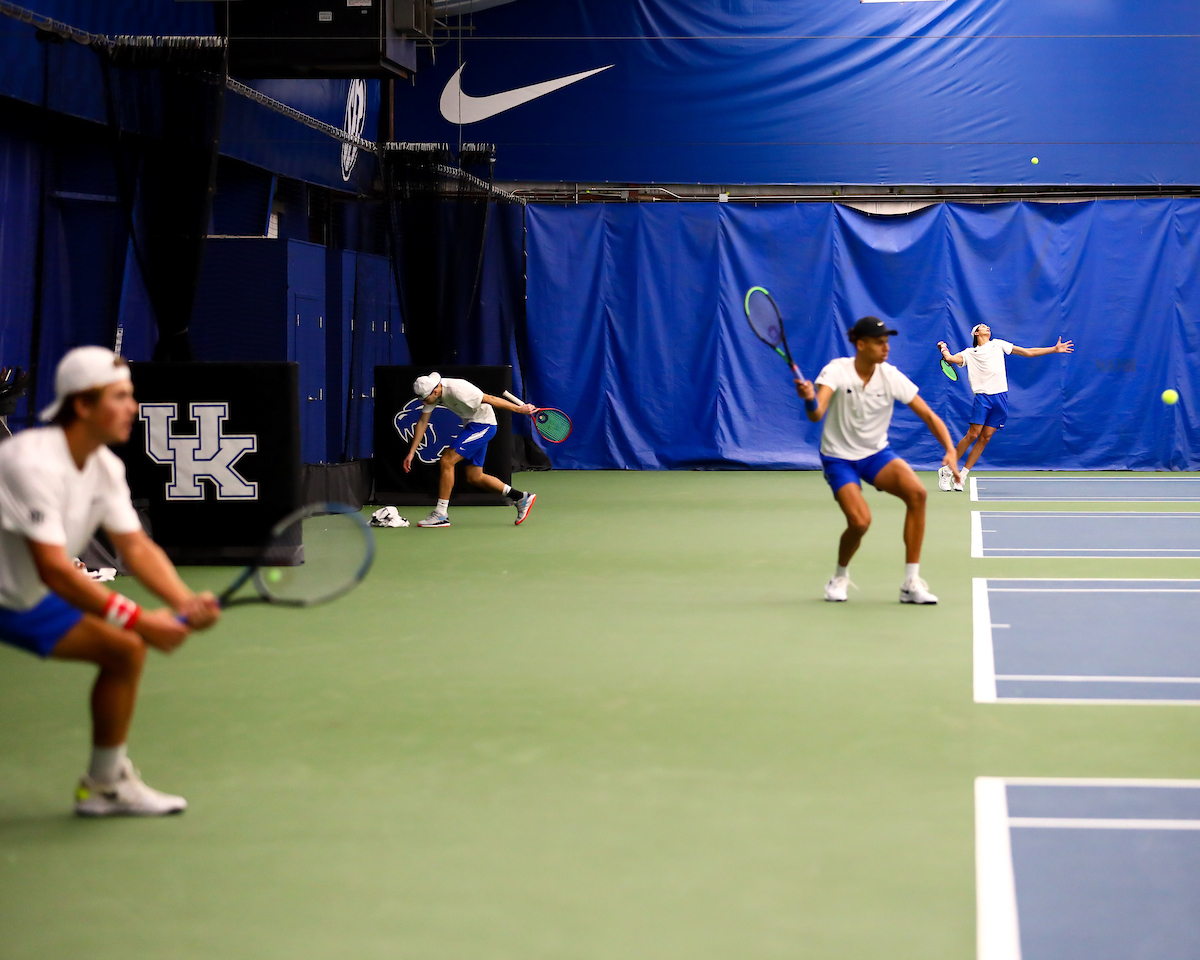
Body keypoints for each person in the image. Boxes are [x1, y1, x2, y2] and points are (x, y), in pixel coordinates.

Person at [0, 347, 220, 816]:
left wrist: (184, 601)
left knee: (123, 652)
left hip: (19, 599)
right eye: (119, 397)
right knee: (130, 638)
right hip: (23, 588)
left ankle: (104, 784)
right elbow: (55, 569)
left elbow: (136, 546)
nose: (133, 408)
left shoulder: (105, 467)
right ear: (83, 405)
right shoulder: (28, 464)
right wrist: (140, 619)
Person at [796, 317, 961, 604]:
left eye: (887, 342)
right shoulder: (837, 370)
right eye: (879, 343)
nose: (886, 348)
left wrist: (950, 449)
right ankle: (839, 577)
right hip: (839, 458)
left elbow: (928, 415)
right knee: (860, 522)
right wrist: (810, 398)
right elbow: (816, 414)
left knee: (918, 494)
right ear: (860, 345)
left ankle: (911, 583)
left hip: (875, 454)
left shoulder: (890, 376)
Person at [936, 324, 1074, 491]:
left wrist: (1054, 349)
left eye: (987, 326)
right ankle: (947, 471)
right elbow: (950, 359)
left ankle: (963, 475)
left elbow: (1028, 352)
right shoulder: (970, 353)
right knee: (973, 434)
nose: (987, 327)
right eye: (983, 327)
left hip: (1001, 398)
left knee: (985, 437)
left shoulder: (998, 344)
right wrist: (943, 347)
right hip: (983, 397)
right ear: (977, 333)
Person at [403, 373, 537, 527]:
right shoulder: (433, 392)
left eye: (425, 399)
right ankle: (520, 497)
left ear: (435, 391)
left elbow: (490, 399)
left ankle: (441, 514)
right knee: (475, 476)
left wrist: (519, 409)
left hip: (483, 425)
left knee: (447, 460)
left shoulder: (459, 389)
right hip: (472, 425)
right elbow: (422, 422)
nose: (424, 403)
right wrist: (411, 452)